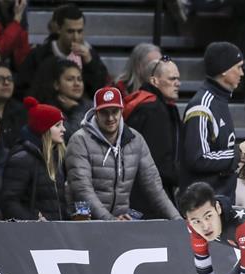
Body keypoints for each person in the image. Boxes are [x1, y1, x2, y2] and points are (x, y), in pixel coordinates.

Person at [65, 87, 181, 221]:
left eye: (114, 112)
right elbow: (82, 189)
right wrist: (110, 220)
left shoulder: (135, 139)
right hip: (86, 224)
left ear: (121, 110)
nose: (110, 118)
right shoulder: (79, 140)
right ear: (95, 113)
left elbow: (154, 186)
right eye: (104, 113)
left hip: (119, 223)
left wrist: (177, 220)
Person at [180, 42, 245, 200]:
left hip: (220, 201)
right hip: (202, 208)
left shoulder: (219, 101)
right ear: (224, 70)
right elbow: (198, 159)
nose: (242, 73)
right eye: (238, 67)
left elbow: (218, 153)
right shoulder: (202, 106)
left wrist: (240, 163)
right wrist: (236, 154)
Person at [16, 3, 110, 99]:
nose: (76, 37)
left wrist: (90, 64)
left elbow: (99, 93)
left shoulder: (90, 55)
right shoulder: (39, 55)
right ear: (59, 29)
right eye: (70, 31)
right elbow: (22, 90)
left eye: (79, 31)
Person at [125, 57, 183, 207]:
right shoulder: (155, 110)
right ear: (154, 81)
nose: (178, 83)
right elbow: (158, 162)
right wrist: (181, 178)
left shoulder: (145, 104)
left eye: (178, 78)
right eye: (172, 78)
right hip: (151, 196)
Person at [0, 97, 70, 221]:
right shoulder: (22, 159)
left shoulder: (55, 157)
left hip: (56, 233)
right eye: (58, 125)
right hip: (32, 235)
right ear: (44, 128)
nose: (63, 129)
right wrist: (33, 221)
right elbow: (9, 202)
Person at [35, 59, 92, 143]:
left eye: (80, 79)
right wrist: (76, 109)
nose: (77, 83)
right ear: (56, 85)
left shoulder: (91, 106)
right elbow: (72, 137)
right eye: (70, 79)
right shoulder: (48, 111)